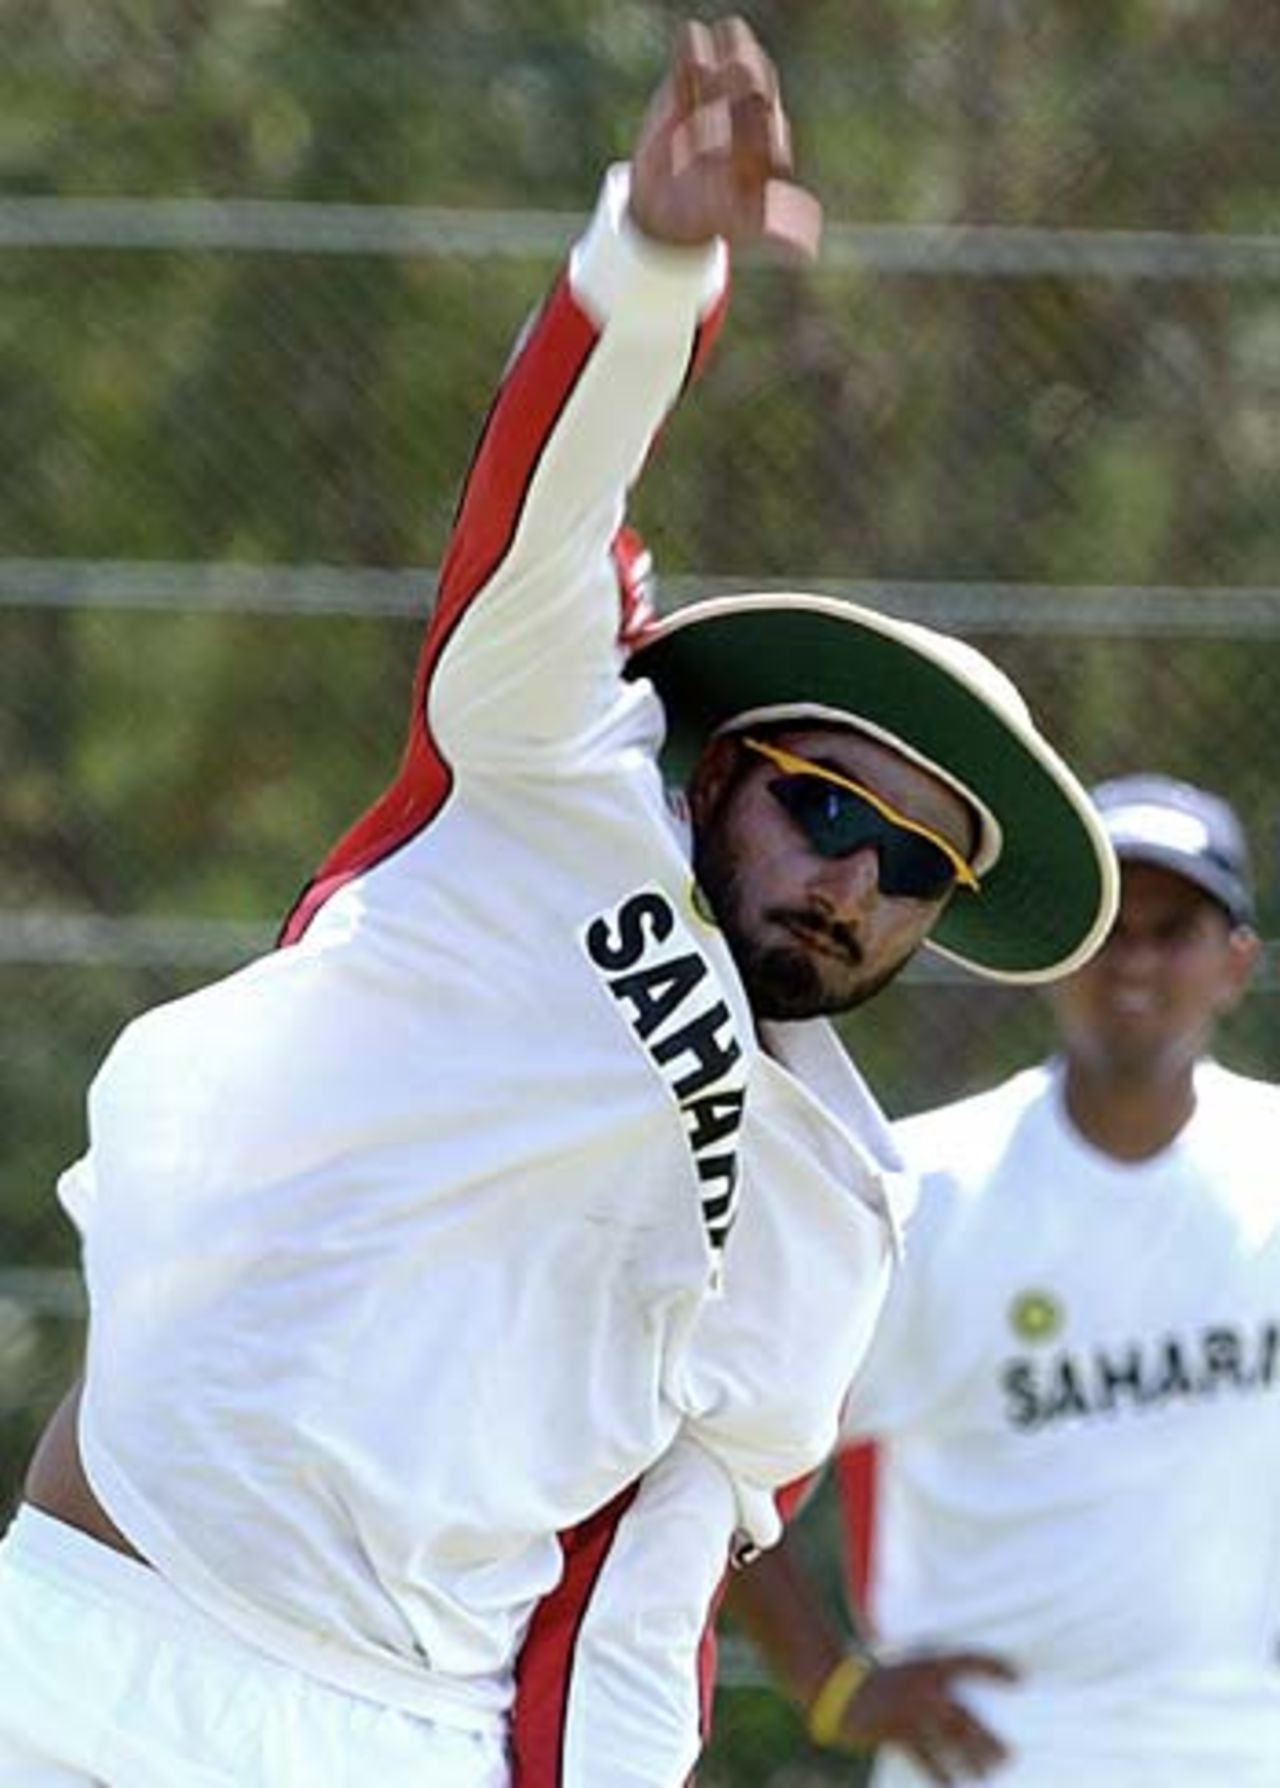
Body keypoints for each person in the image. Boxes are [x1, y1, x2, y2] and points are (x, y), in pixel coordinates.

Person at [0, 18, 1116, 1788]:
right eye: (831, 806)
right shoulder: (540, 775)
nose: (854, 882)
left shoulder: (842, 1196)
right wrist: (657, 257)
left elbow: (648, 1570)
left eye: (917, 867)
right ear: (729, 763)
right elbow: (545, 502)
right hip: (100, 1624)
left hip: (403, 1736)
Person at [726, 772, 1280, 1787]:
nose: (1135, 964)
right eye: (1111, 928)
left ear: (1234, 964)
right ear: (1054, 958)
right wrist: (827, 1685)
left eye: (1175, 931)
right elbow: (719, 1452)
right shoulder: (920, 1194)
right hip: (990, 1759)